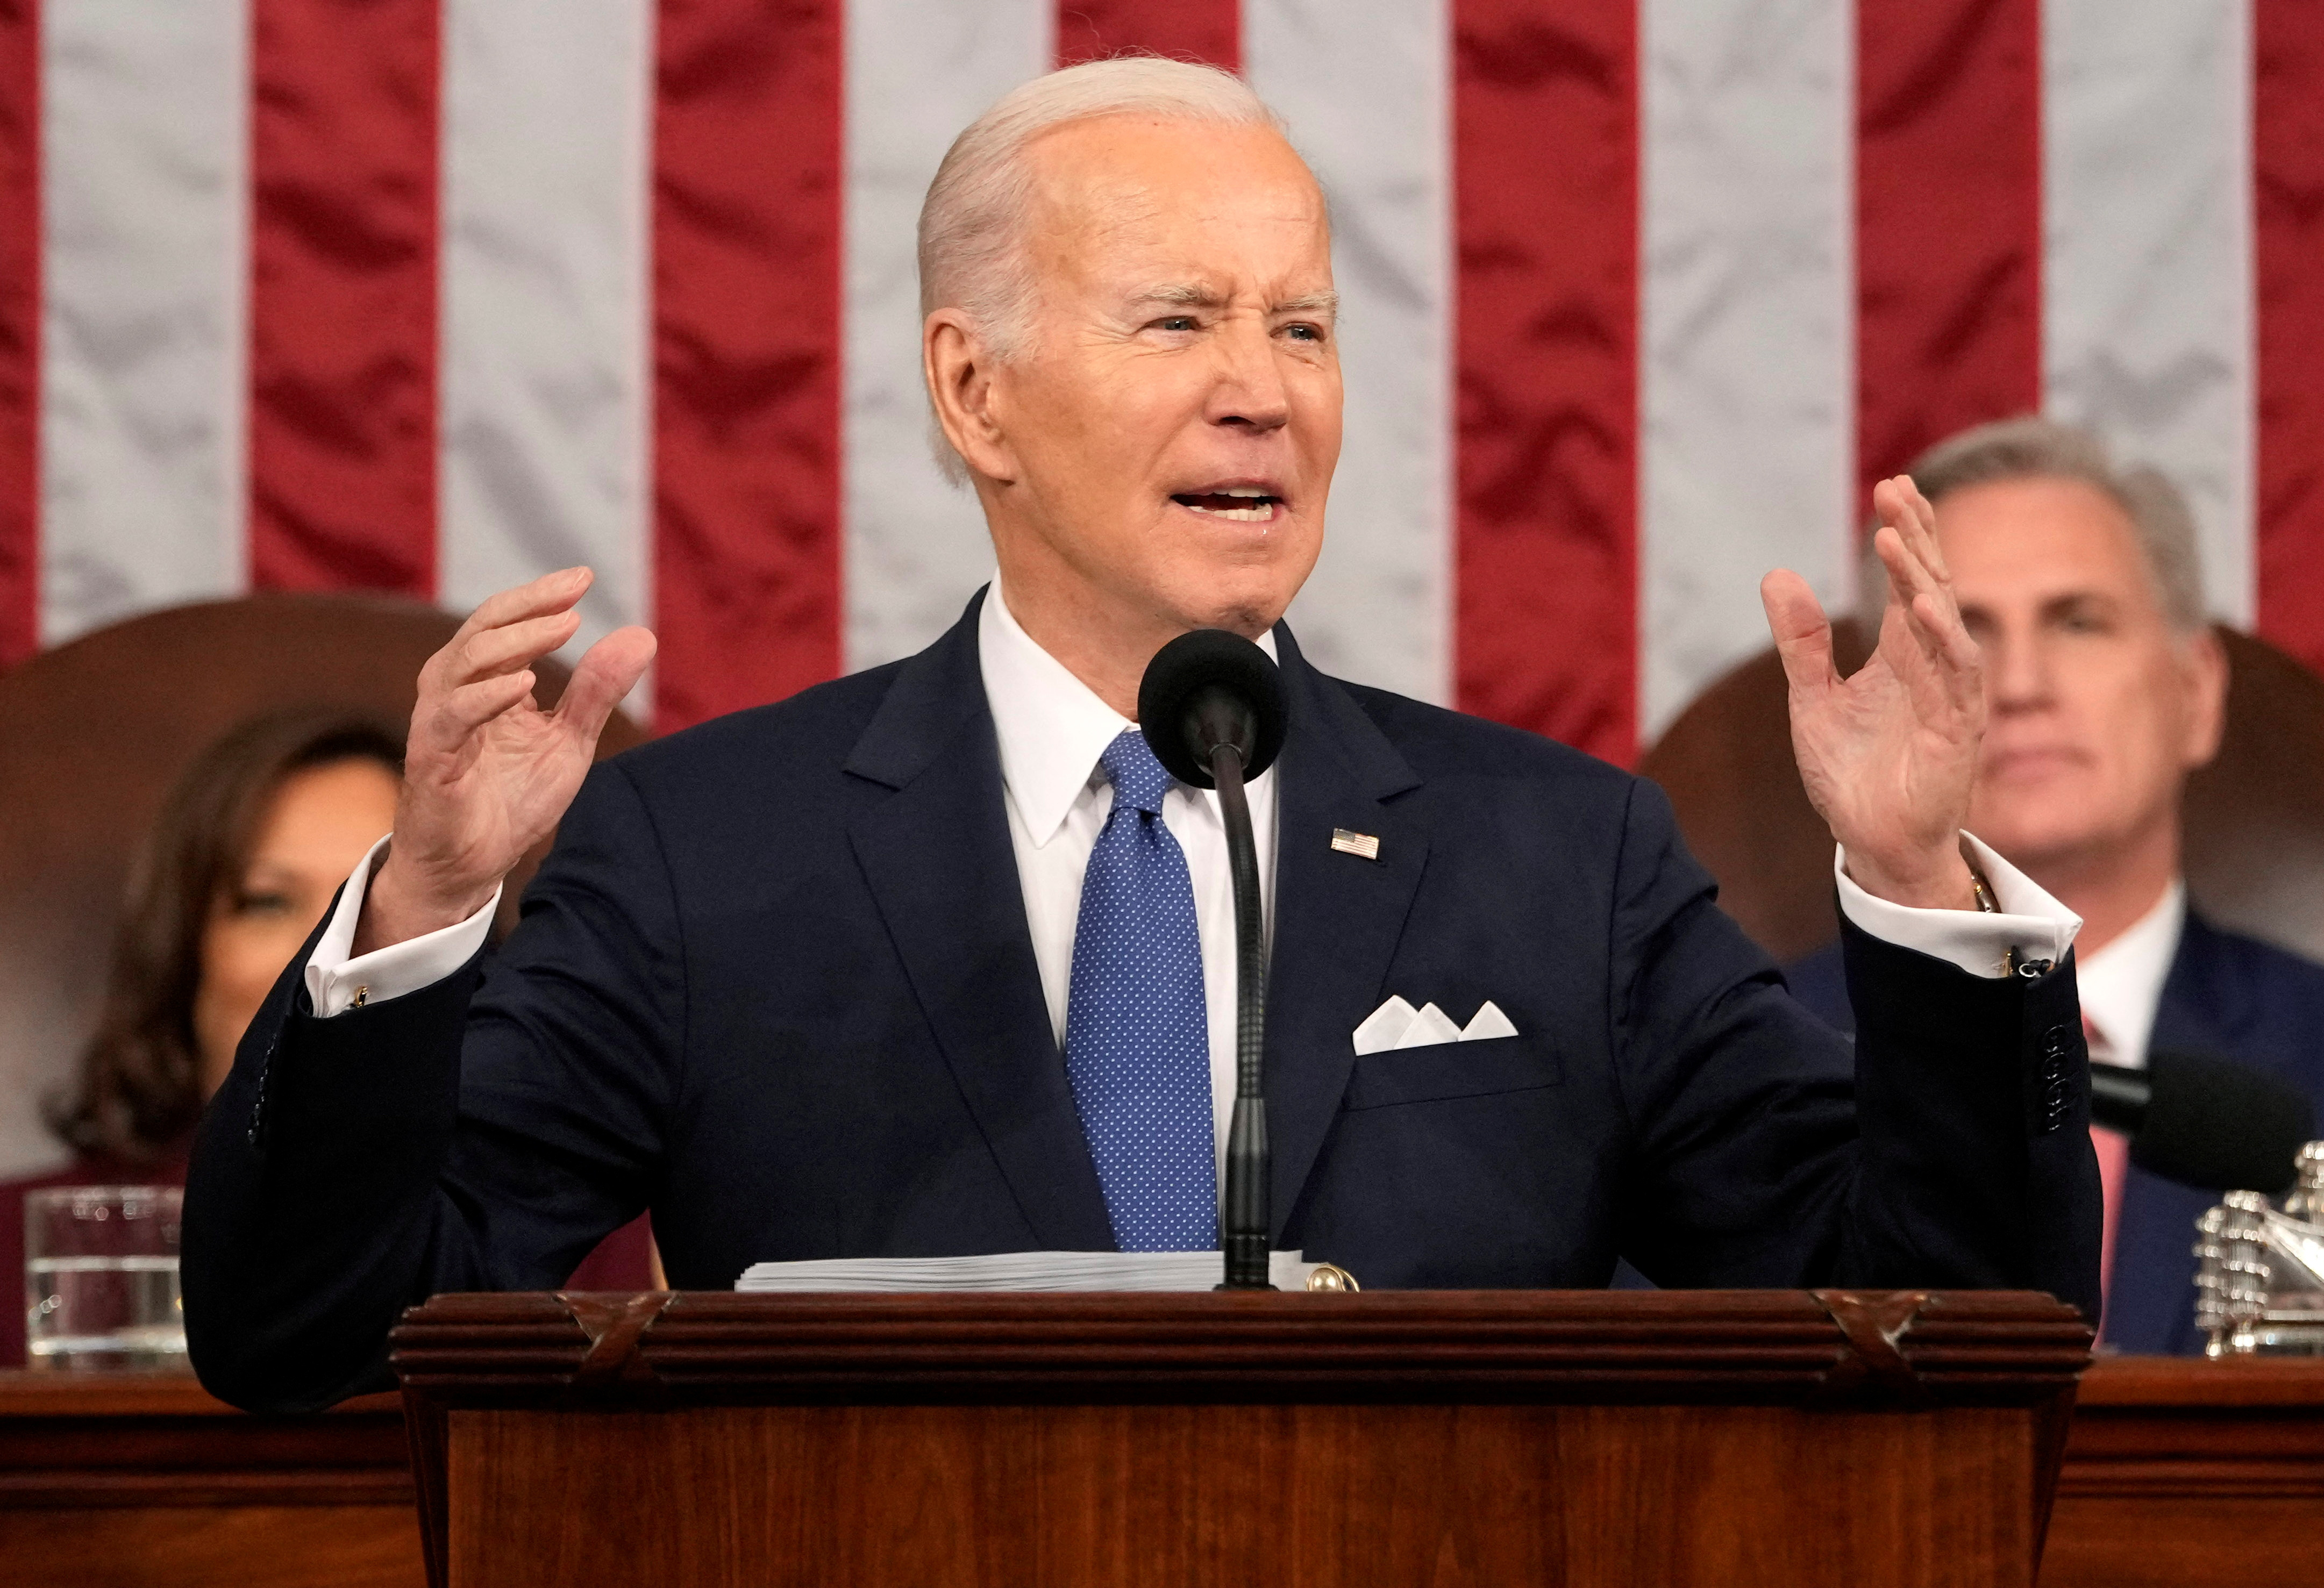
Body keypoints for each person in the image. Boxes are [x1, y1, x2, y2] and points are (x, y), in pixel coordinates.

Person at [184, 59, 2097, 1414]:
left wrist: (1916, 883)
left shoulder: (1556, 855)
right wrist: (431, 895)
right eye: (1176, 320)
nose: (1259, 395)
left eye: (1304, 327)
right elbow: (311, 1334)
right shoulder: (710, 858)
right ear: (973, 391)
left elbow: (1954, 1329)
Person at [1783, 417, 2324, 1353]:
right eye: (1965, 628)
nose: (2018, 682)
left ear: (2196, 691)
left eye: (2078, 620)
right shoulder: (1757, 1061)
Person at [0, 709, 405, 1365]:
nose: (321, 952)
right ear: (185, 952)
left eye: (377, 901)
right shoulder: (16, 1246)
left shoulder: (585, 1239)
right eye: (268, 902)